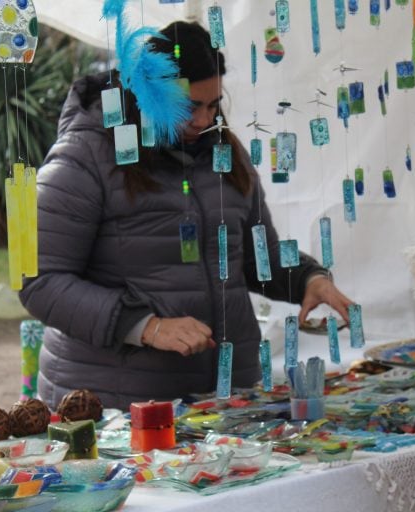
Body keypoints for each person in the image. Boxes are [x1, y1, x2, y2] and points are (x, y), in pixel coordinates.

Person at [19, 21, 353, 411]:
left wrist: (306, 279)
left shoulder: (225, 152)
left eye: (213, 105)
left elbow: (257, 255)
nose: (203, 120)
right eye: (190, 106)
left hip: (222, 402)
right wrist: (146, 327)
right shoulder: (84, 155)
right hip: (115, 405)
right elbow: (39, 281)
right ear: (148, 93)